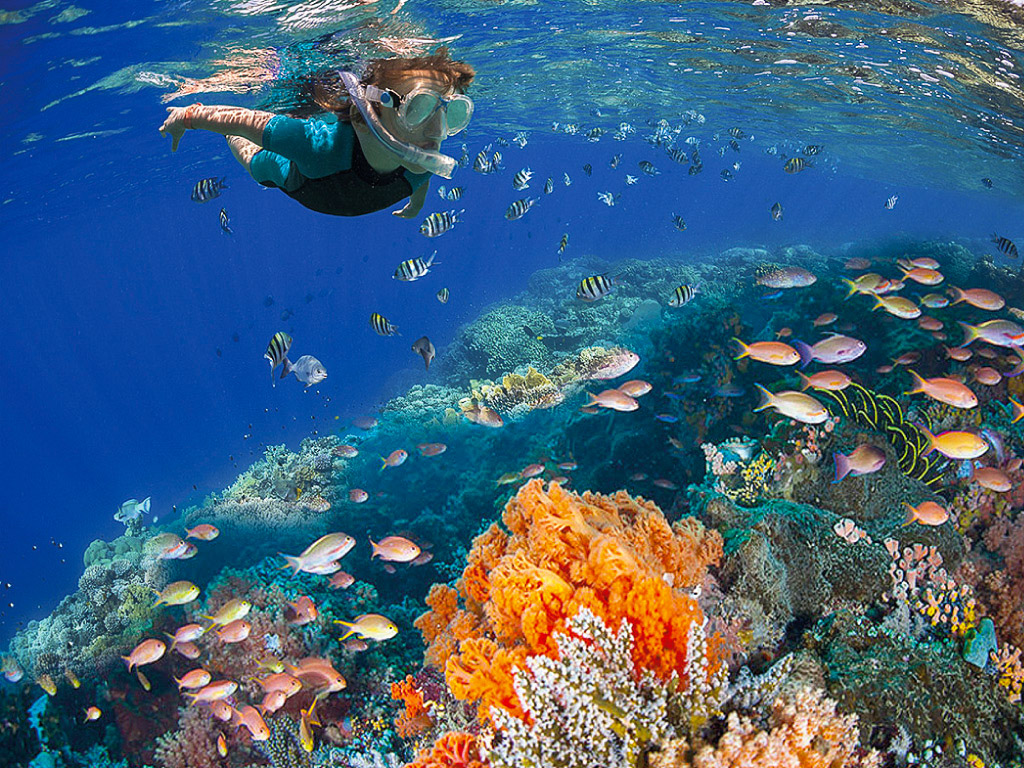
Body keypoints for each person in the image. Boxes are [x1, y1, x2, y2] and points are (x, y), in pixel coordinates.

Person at [158, 48, 475, 218]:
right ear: (362, 115)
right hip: (303, 181)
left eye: (451, 113)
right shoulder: (314, 146)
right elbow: (245, 121)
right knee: (256, 163)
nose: (437, 132)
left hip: (337, 194)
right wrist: (187, 116)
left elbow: (422, 177)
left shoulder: (421, 156)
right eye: (418, 108)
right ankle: (233, 145)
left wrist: (416, 205)